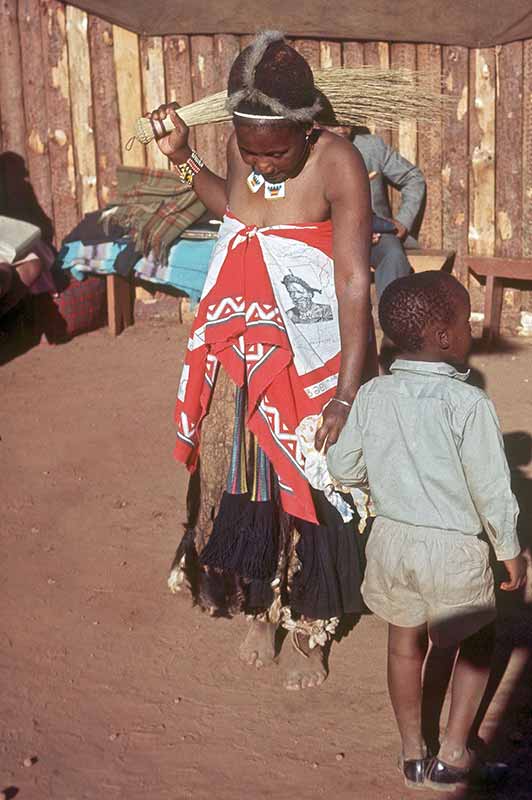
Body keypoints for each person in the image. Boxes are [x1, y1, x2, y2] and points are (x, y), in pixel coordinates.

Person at [150, 31, 377, 690]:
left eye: (275, 153)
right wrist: (186, 158)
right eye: (250, 152)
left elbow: (354, 281)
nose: (263, 166)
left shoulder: (338, 163)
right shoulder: (249, 150)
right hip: (250, 347)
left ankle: (310, 627)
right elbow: (238, 213)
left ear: (307, 131)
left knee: (313, 481)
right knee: (250, 477)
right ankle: (261, 607)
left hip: (316, 351)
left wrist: (344, 391)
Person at [327, 271, 526, 790]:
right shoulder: (469, 405)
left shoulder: (371, 396)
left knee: (403, 643)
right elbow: (491, 488)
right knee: (478, 641)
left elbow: (344, 466)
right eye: (464, 321)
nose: (470, 329)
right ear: (443, 336)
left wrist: (383, 487)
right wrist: (509, 550)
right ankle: (454, 752)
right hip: (454, 550)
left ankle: (412, 752)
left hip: (391, 544)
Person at [326, 126, 426, 300]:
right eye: (334, 122)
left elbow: (413, 178)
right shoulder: (308, 153)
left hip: (376, 233)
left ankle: (394, 317)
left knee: (393, 255)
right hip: (327, 235)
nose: (342, 127)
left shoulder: (371, 147)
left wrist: (403, 221)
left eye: (347, 121)